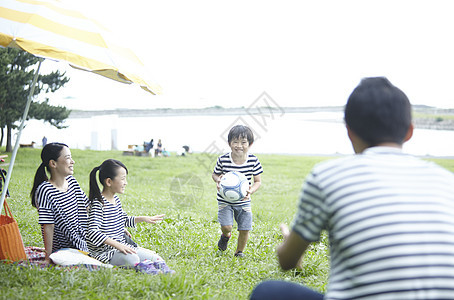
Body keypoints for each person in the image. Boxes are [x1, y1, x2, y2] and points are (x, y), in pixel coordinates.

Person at [250, 77, 454, 299]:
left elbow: (286, 261)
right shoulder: (447, 181)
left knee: (268, 291)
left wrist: (289, 243)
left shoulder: (327, 176)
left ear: (349, 131)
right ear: (409, 132)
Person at [86, 159, 173, 273]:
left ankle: (162, 270)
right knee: (132, 258)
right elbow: (92, 232)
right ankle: (147, 269)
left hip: (122, 246)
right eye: (122, 179)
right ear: (109, 182)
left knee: (155, 256)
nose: (125, 182)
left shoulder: (116, 199)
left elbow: (123, 219)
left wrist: (143, 219)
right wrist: (117, 245)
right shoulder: (98, 204)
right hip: (106, 252)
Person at [30, 142, 89, 264]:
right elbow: (48, 226)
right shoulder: (45, 190)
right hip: (66, 251)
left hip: (85, 241)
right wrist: (48, 257)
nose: (72, 161)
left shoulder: (72, 182)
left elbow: (89, 207)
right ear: (53, 163)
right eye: (68, 158)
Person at [212, 125, 263, 257]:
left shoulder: (253, 161)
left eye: (243, 142)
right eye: (235, 142)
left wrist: (250, 191)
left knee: (245, 228)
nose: (239, 145)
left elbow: (258, 181)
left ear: (250, 144)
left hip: (244, 201)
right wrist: (218, 180)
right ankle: (225, 235)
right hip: (225, 200)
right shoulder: (223, 159)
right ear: (229, 143)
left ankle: (239, 252)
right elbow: (215, 174)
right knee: (227, 226)